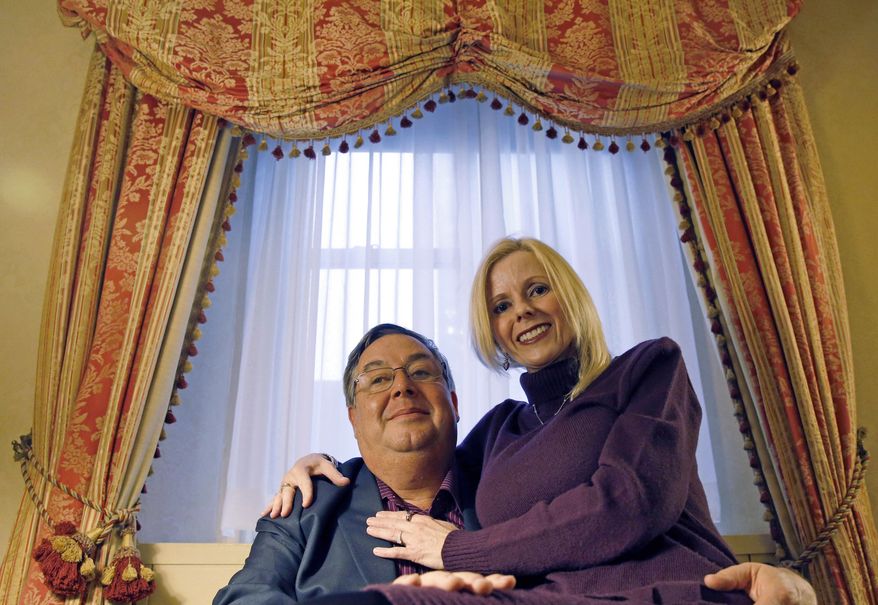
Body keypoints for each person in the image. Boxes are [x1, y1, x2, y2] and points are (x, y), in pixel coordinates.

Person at [272, 237, 817, 605]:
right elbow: (413, 448)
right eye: (501, 306)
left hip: (665, 591)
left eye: (536, 290)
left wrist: (457, 551)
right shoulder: (499, 431)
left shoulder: (649, 369)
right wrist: (319, 463)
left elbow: (627, 502)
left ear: (569, 296)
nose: (522, 312)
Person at [214, 324, 516, 604]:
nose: (402, 387)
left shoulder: (511, 484)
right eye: (379, 379)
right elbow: (242, 598)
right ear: (354, 419)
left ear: (454, 403)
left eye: (421, 372)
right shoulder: (305, 504)